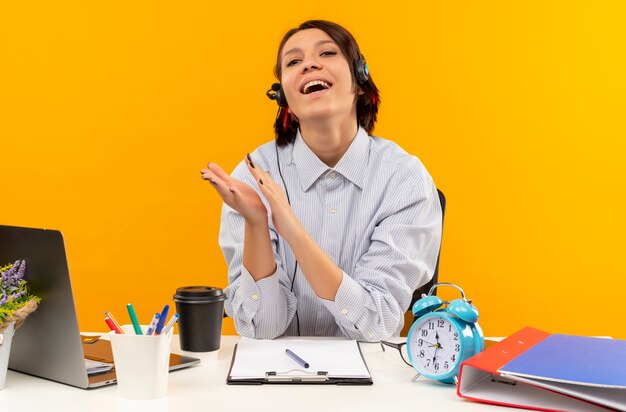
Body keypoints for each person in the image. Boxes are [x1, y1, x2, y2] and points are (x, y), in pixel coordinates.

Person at [201, 20, 442, 341]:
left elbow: (375, 323)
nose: (310, 64)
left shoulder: (404, 180)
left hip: (372, 378)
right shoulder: (251, 176)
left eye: (327, 53)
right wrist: (257, 221)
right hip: (271, 380)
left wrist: (293, 231)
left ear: (360, 79)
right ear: (284, 96)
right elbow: (262, 328)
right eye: (293, 61)